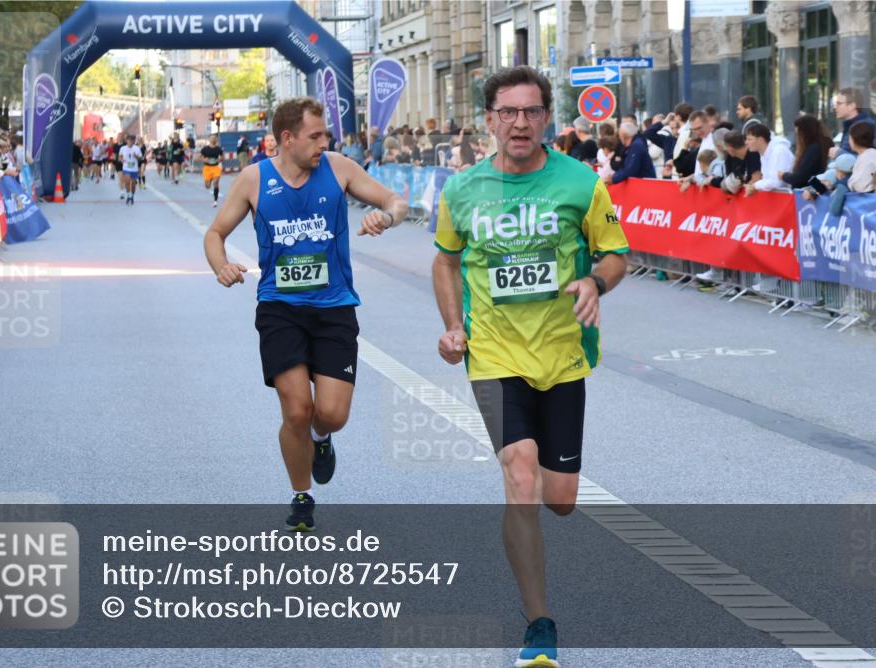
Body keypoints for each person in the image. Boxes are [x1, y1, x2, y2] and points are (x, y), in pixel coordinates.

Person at [432, 66, 629, 668]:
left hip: (563, 354)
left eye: (531, 111)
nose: (520, 123)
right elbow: (446, 261)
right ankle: (539, 624)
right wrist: (454, 326)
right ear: (490, 119)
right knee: (519, 475)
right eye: (508, 112)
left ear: (546, 118)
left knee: (560, 499)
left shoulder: (581, 183)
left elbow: (616, 254)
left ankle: (544, 503)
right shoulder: (461, 190)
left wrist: (596, 282)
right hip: (493, 353)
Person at [203, 97, 408, 534]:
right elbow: (216, 233)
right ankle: (302, 495)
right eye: (315, 136)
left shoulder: (338, 168)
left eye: (325, 135)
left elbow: (396, 200)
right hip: (280, 309)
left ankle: (321, 437)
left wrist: (386, 218)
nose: (324, 143)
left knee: (331, 414)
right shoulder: (255, 179)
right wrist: (221, 265)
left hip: (334, 308)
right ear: (287, 138)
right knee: (297, 409)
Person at [780, 114, 831, 190]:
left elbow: (800, 177)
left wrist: (784, 175)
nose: (798, 138)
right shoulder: (823, 144)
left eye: (799, 134)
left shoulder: (814, 149)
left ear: (805, 133)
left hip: (808, 192)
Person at [744, 123, 794, 195]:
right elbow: (768, 179)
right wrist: (754, 186)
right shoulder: (764, 152)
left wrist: (755, 186)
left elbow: (776, 182)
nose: (746, 142)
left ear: (760, 140)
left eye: (749, 139)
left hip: (792, 197)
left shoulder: (779, 151)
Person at [831, 88, 876, 158]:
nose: (835, 107)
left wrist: (839, 153)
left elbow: (870, 159)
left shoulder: (865, 126)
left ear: (852, 106)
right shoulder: (851, 125)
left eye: (839, 103)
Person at [845, 121, 876, 193]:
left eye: (850, 138)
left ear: (854, 139)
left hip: (870, 197)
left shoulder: (867, 157)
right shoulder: (871, 154)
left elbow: (860, 186)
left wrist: (847, 182)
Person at [200, 134, 224, 207]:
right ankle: (209, 179)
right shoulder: (205, 149)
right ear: (209, 140)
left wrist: (220, 159)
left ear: (216, 140)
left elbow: (222, 157)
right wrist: (204, 159)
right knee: (207, 186)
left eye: (214, 138)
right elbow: (200, 157)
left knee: (216, 183)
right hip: (207, 168)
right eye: (212, 138)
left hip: (216, 167)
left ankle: (215, 201)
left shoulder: (218, 149)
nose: (213, 139)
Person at [118, 134, 143, 205]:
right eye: (128, 140)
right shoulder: (122, 148)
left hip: (134, 169)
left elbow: (141, 158)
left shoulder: (137, 148)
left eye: (131, 140)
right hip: (126, 168)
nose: (130, 142)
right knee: (127, 181)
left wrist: (136, 156)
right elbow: (119, 157)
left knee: (133, 184)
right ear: (126, 141)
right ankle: (128, 195)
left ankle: (132, 196)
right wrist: (121, 160)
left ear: (133, 141)